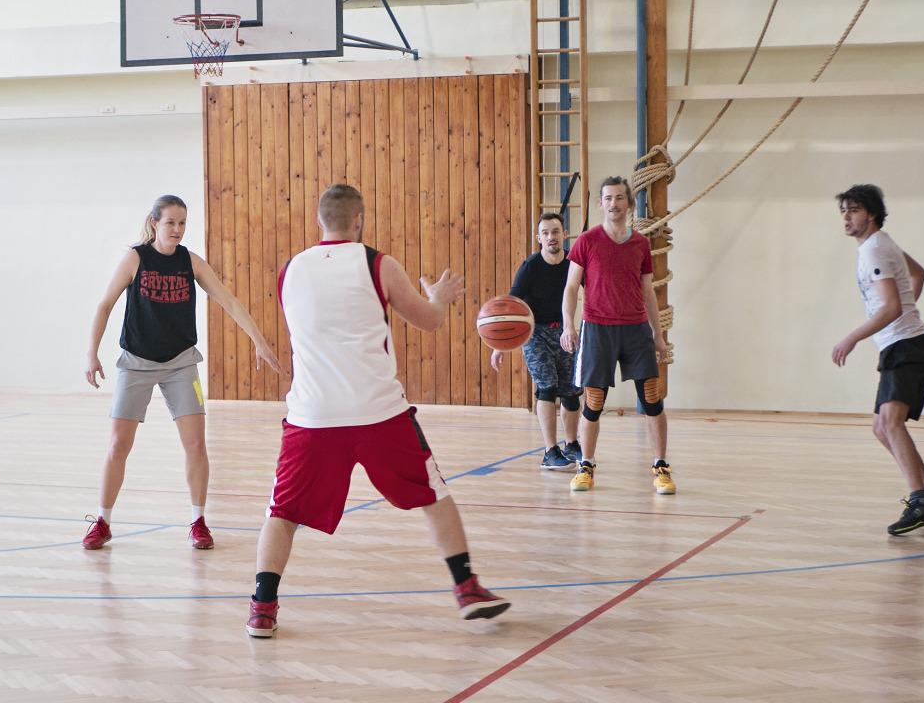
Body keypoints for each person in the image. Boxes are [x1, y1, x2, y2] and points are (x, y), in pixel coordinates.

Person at [246, 184, 510, 638]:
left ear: (319, 221)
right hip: (378, 412)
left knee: (283, 512)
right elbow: (428, 320)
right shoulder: (377, 263)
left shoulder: (290, 270)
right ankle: (466, 588)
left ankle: (262, 608)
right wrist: (439, 296)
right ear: (360, 220)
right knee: (433, 494)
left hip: (313, 415)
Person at [82, 195, 278, 551]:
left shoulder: (191, 262)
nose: (177, 229)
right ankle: (103, 521)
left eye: (182, 223)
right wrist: (91, 354)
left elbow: (229, 301)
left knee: (196, 444)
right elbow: (105, 304)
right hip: (136, 362)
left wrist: (259, 341)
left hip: (182, 363)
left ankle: (198, 521)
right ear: (155, 223)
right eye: (170, 222)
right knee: (118, 445)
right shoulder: (135, 259)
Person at [832, 184, 924, 535]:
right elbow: (919, 274)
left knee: (889, 423)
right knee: (881, 427)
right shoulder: (881, 244)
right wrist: (904, 313)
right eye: (842, 210)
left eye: (853, 210)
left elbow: (891, 306)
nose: (846, 216)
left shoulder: (874, 250)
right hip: (903, 346)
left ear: (870, 213)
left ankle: (919, 499)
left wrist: (851, 337)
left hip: (906, 347)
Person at [560, 176, 674, 495]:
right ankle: (586, 465)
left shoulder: (640, 244)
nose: (614, 203)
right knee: (594, 402)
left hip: (636, 330)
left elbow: (647, 290)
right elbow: (570, 288)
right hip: (598, 329)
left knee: (652, 398)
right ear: (601, 204)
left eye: (620, 198)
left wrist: (657, 334)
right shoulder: (587, 241)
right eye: (608, 198)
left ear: (629, 204)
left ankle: (661, 465)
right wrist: (569, 325)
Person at [491, 213, 583, 470]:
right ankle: (550, 450)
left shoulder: (573, 264)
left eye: (555, 231)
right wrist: (501, 345)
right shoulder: (530, 267)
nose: (551, 237)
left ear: (564, 234)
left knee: (572, 391)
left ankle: (572, 444)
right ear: (539, 238)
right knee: (547, 387)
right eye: (545, 233)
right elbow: (512, 304)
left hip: (565, 331)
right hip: (535, 334)